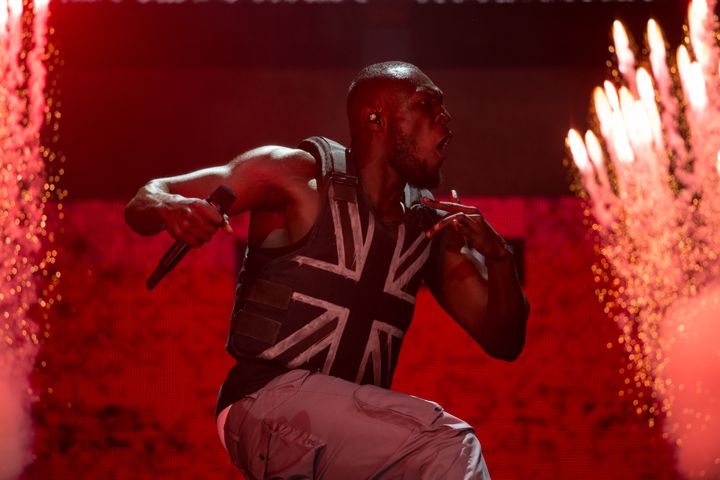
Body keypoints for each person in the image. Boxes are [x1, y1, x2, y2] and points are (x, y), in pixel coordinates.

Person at [125, 61, 529, 479]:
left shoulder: (428, 228)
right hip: (264, 401)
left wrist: (499, 259)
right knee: (445, 444)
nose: (446, 119)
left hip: (335, 443)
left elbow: (505, 340)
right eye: (429, 104)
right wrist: (170, 207)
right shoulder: (296, 176)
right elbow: (149, 197)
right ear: (376, 117)